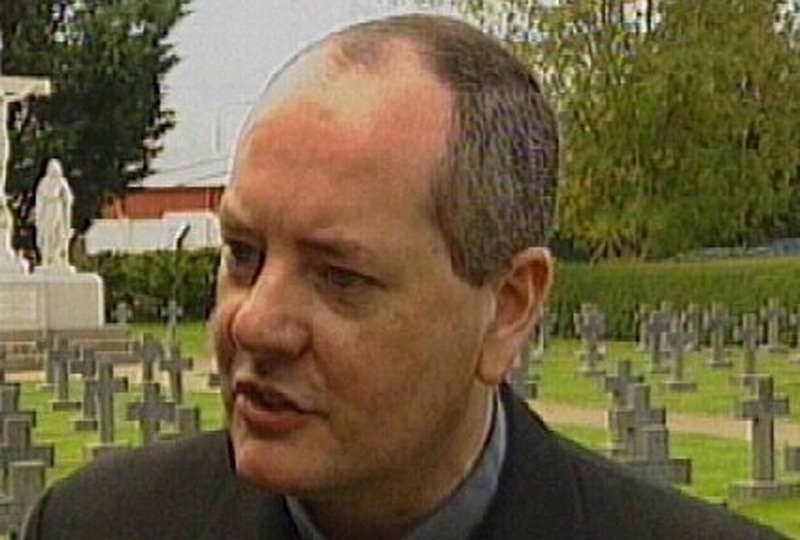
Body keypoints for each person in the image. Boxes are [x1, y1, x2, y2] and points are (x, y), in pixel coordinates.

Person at [22, 13, 784, 540]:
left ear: (507, 310)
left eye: (339, 276)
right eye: (244, 254)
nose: (254, 322)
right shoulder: (93, 526)